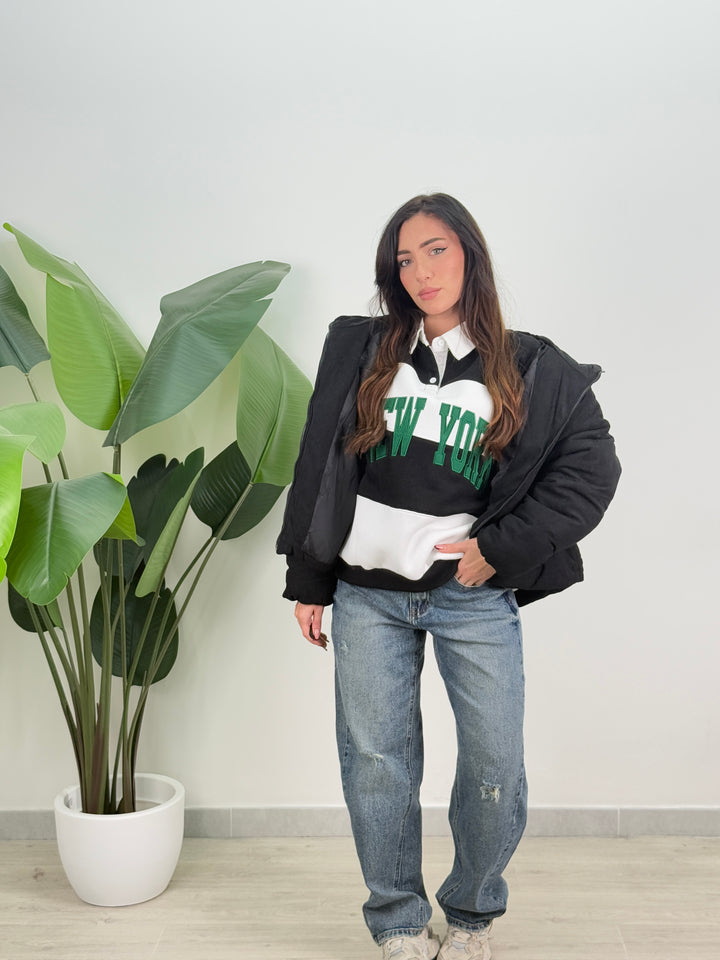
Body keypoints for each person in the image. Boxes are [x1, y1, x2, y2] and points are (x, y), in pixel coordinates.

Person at [277, 193, 621, 960]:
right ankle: (398, 921)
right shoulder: (364, 350)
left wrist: (498, 548)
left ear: (470, 254)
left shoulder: (530, 366)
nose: (420, 271)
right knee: (377, 765)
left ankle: (469, 916)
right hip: (367, 596)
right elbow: (319, 463)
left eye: (436, 250)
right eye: (405, 259)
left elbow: (592, 473)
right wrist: (310, 578)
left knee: (495, 765)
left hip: (472, 598)